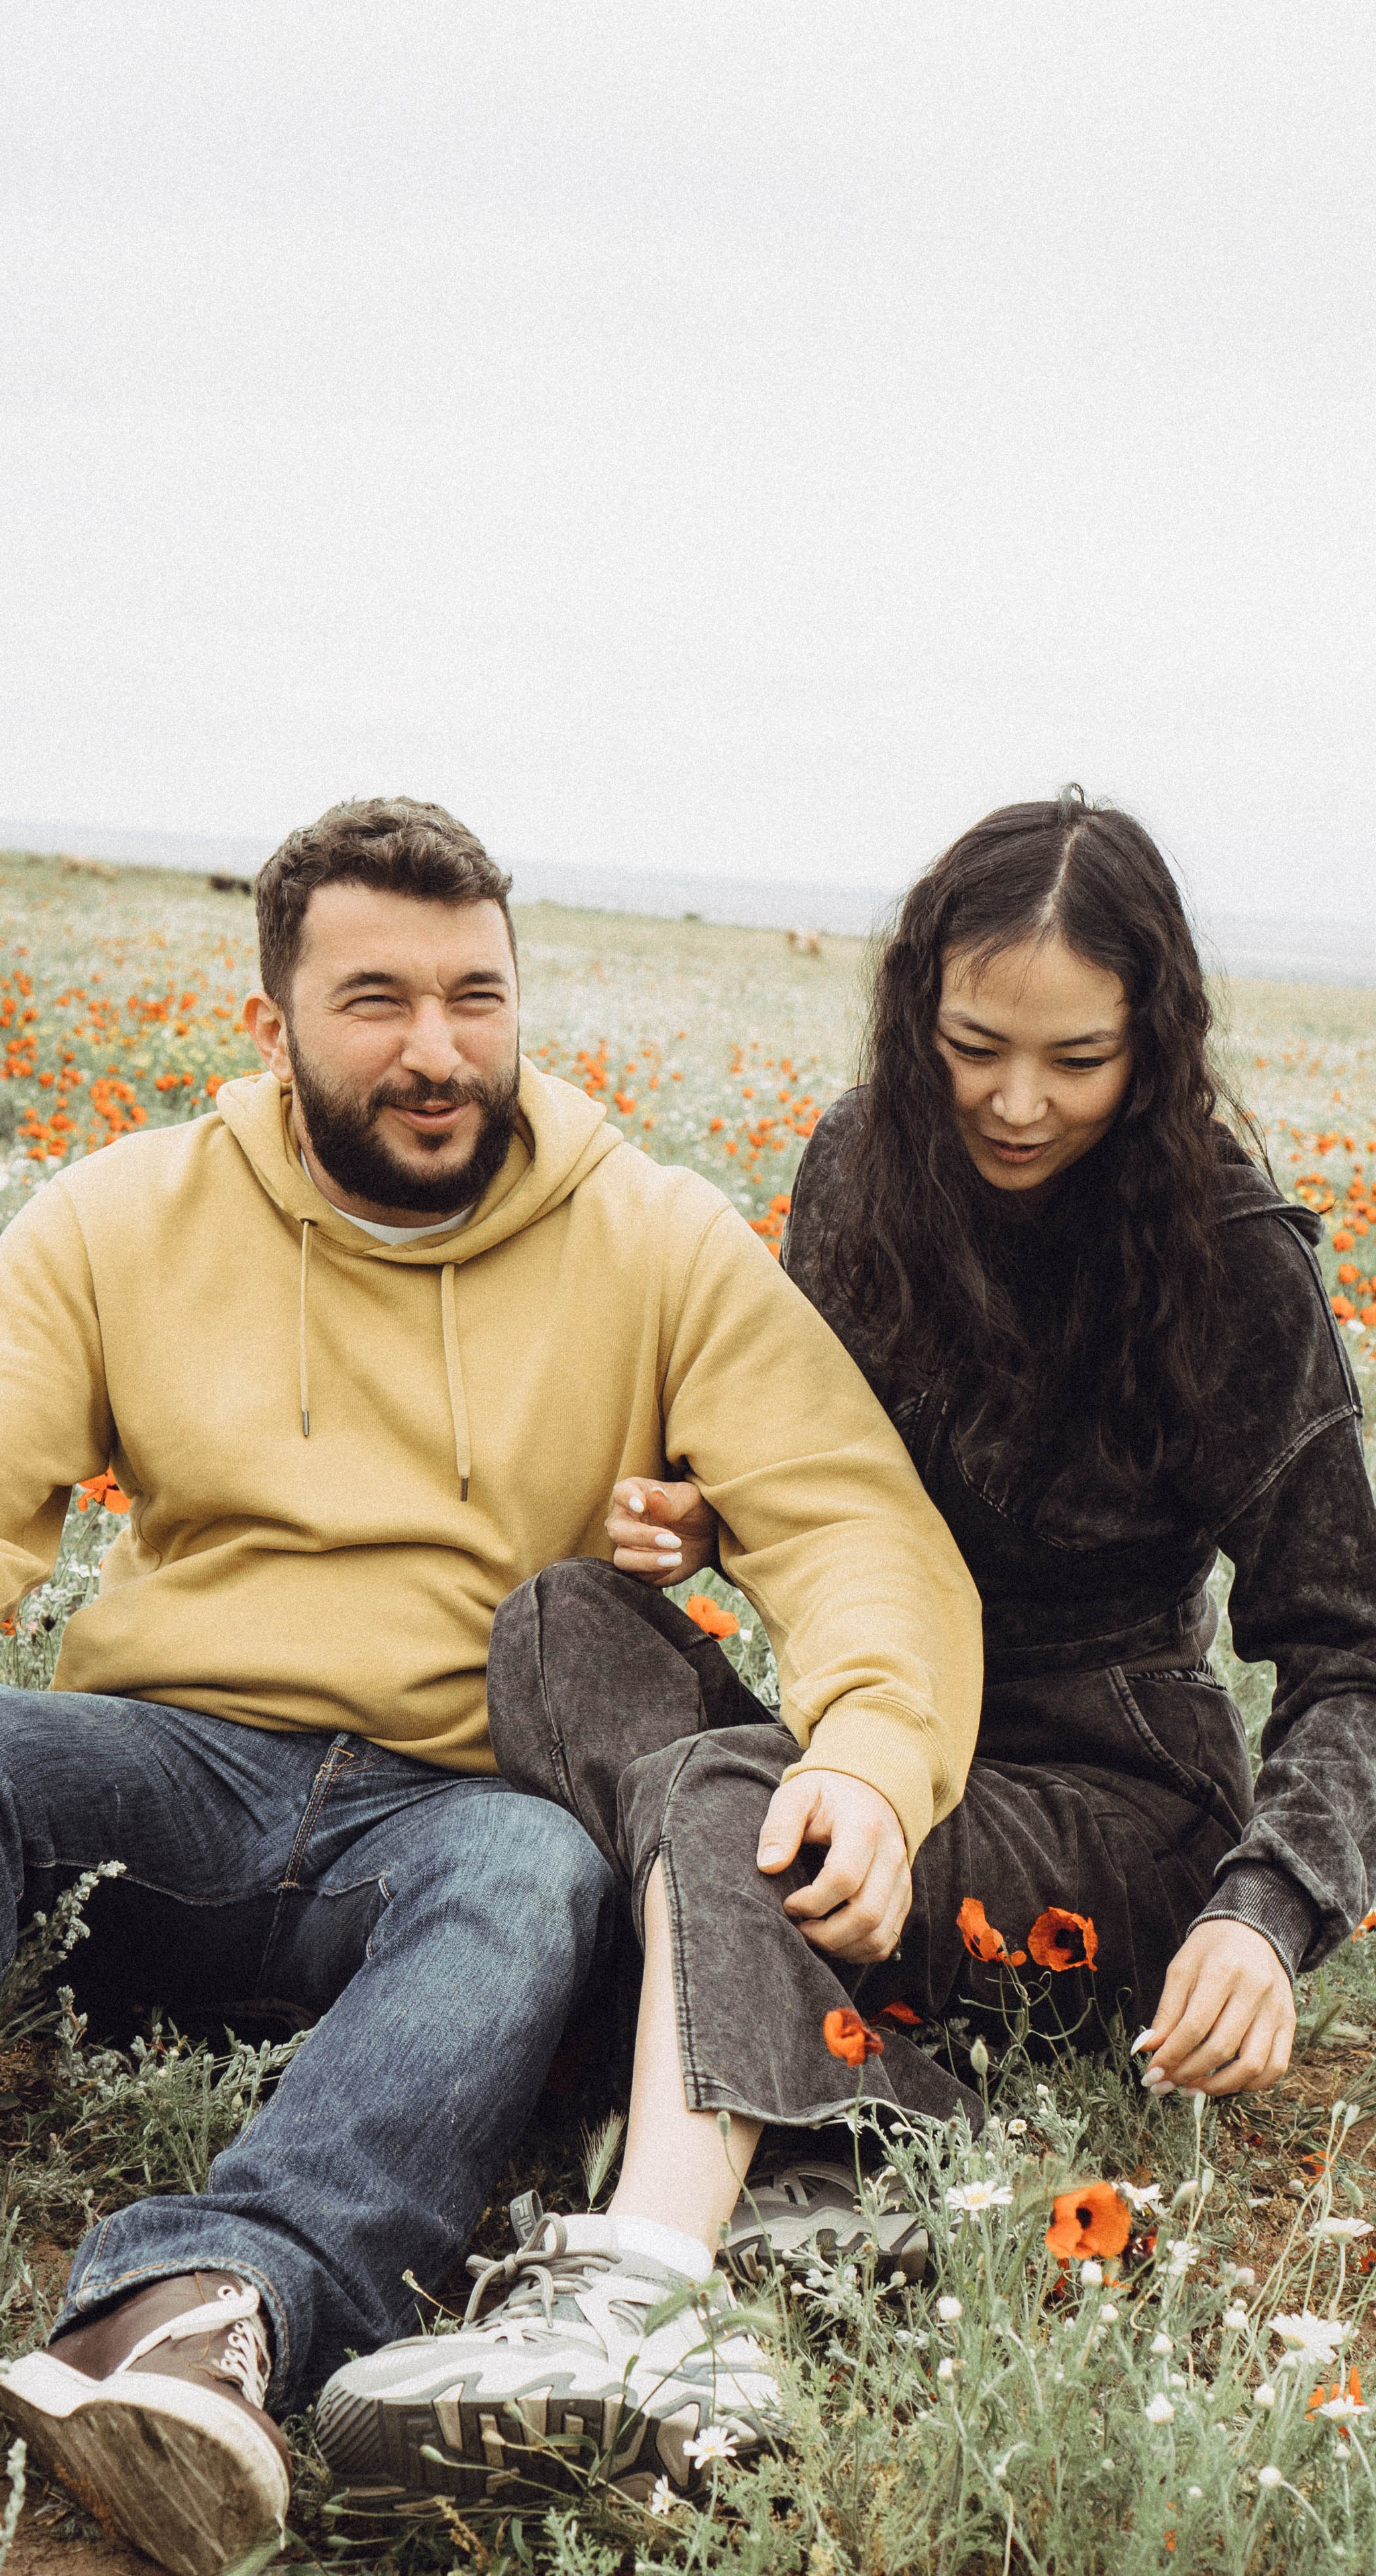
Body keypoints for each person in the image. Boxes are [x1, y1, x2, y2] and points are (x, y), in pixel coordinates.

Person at [313, 788, 1376, 2512]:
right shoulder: (858, 1167)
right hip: (876, 1736)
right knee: (557, 1626)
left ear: (1152, 1046)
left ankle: (638, 2298)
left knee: (740, 1800)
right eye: (976, 1048)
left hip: (1100, 1801)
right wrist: (712, 1515)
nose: (1018, 1102)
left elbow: (1351, 1657)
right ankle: (868, 2147)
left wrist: (1263, 1914)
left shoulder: (1230, 1263)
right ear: (918, 1014)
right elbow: (813, 1471)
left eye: (1077, 1060)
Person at [0, 798, 982, 2573]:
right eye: (375, 1000)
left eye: (475, 996)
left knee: (537, 1871)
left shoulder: (651, 1238)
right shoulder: (118, 1220)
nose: (437, 1051)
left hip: (456, 1824)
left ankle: (209, 2313)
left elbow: (852, 1521)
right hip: (169, 1773)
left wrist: (870, 1747)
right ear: (273, 1024)